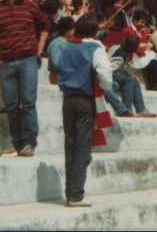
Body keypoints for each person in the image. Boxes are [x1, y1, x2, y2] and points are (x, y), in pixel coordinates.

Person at [0, 0, 50, 158]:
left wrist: (41, 45)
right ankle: (16, 144)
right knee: (11, 105)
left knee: (28, 102)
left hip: (28, 60)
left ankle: (29, 143)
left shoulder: (31, 7)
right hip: (6, 63)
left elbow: (45, 25)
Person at [55, 12, 113, 208]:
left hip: (67, 98)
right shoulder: (96, 48)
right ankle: (76, 194)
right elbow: (105, 72)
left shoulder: (69, 46)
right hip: (85, 99)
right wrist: (104, 87)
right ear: (95, 30)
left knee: (70, 146)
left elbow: (60, 66)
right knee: (82, 148)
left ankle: (70, 191)